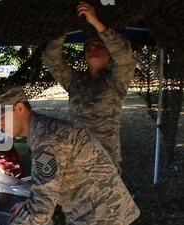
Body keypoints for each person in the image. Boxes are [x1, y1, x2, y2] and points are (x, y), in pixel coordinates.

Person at [0, 86, 140, 225]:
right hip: (90, 211)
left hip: (102, 217)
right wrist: (28, 203)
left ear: (20, 108)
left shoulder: (47, 141)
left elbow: (41, 210)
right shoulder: (42, 129)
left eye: (2, 117)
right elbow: (51, 184)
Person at [42, 1, 137, 173]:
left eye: (99, 45)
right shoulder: (75, 81)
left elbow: (125, 57)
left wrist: (96, 23)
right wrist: (63, 29)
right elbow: (51, 60)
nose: (93, 48)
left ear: (109, 53)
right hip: (76, 159)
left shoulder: (115, 81)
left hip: (105, 162)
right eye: (88, 47)